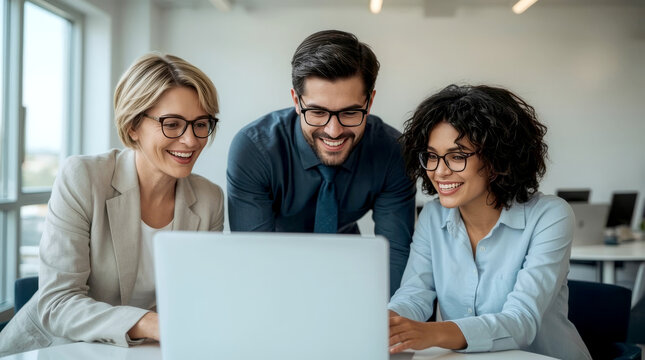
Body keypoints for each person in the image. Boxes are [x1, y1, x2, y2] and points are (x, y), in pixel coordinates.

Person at [0, 53, 224, 356]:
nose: (190, 140)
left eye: (201, 124)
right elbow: (57, 303)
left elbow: (198, 297)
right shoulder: (84, 177)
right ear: (133, 125)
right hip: (54, 349)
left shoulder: (210, 199)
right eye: (172, 124)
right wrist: (148, 323)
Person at [388, 84, 591, 359]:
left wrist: (431, 333)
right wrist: (391, 321)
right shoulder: (433, 217)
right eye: (432, 156)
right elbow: (414, 295)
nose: (440, 171)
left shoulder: (550, 216)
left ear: (497, 159)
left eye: (457, 156)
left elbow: (521, 321)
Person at [227, 30, 416, 294]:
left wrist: (382, 323)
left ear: (369, 102)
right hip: (275, 265)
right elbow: (253, 255)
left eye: (350, 112)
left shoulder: (392, 152)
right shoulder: (254, 149)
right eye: (317, 112)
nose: (334, 131)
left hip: (349, 262)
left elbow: (395, 252)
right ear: (296, 100)